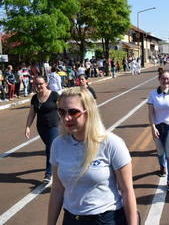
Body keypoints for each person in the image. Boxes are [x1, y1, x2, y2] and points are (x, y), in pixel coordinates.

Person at [47, 87, 137, 225]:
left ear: (88, 111)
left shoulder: (112, 144)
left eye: (73, 112)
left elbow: (127, 190)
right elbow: (57, 189)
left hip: (106, 219)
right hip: (71, 219)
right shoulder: (58, 144)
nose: (66, 118)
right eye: (61, 111)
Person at [25, 75, 59, 182]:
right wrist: (27, 127)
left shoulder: (54, 95)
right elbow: (31, 114)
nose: (39, 86)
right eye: (36, 84)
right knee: (53, 149)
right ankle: (61, 162)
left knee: (49, 148)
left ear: (46, 84)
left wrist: (65, 124)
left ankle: (48, 174)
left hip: (54, 125)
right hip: (41, 127)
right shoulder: (35, 98)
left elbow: (60, 110)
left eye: (41, 83)